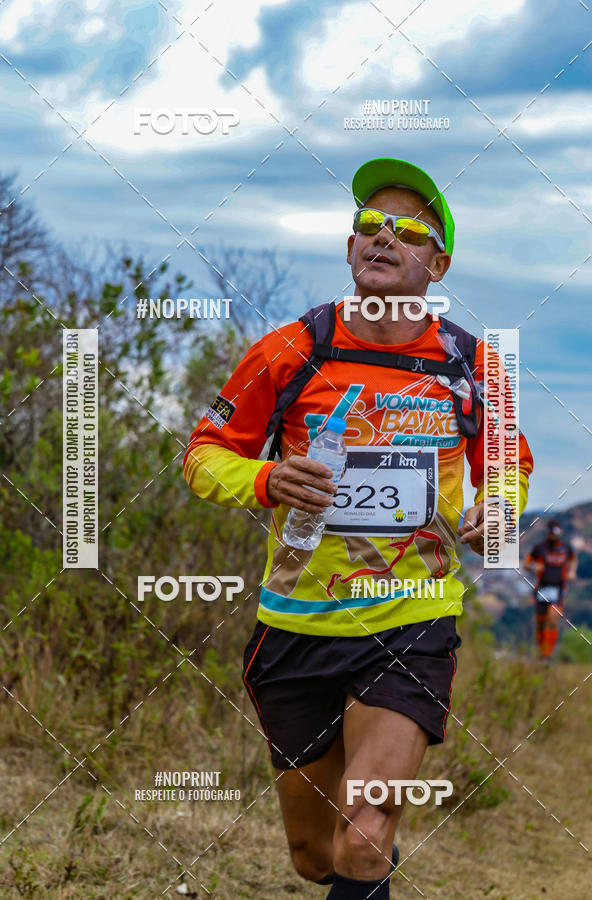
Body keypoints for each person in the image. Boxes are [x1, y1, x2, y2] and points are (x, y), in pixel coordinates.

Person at [183, 157, 534, 899]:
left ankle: (370, 863)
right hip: (297, 623)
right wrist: (265, 478)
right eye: (368, 225)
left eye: (407, 230)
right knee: (317, 856)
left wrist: (496, 511)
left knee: (365, 837)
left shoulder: (472, 366)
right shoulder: (289, 350)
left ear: (437, 264)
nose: (383, 237)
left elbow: (508, 465)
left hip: (412, 617)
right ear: (349, 250)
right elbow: (202, 454)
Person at [525, 519, 577, 662]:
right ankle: (542, 651)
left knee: (553, 618)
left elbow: (573, 559)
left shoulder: (567, 548)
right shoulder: (539, 548)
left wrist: (572, 571)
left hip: (559, 589)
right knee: (541, 622)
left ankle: (548, 654)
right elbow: (526, 563)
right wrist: (533, 567)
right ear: (547, 533)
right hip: (542, 588)